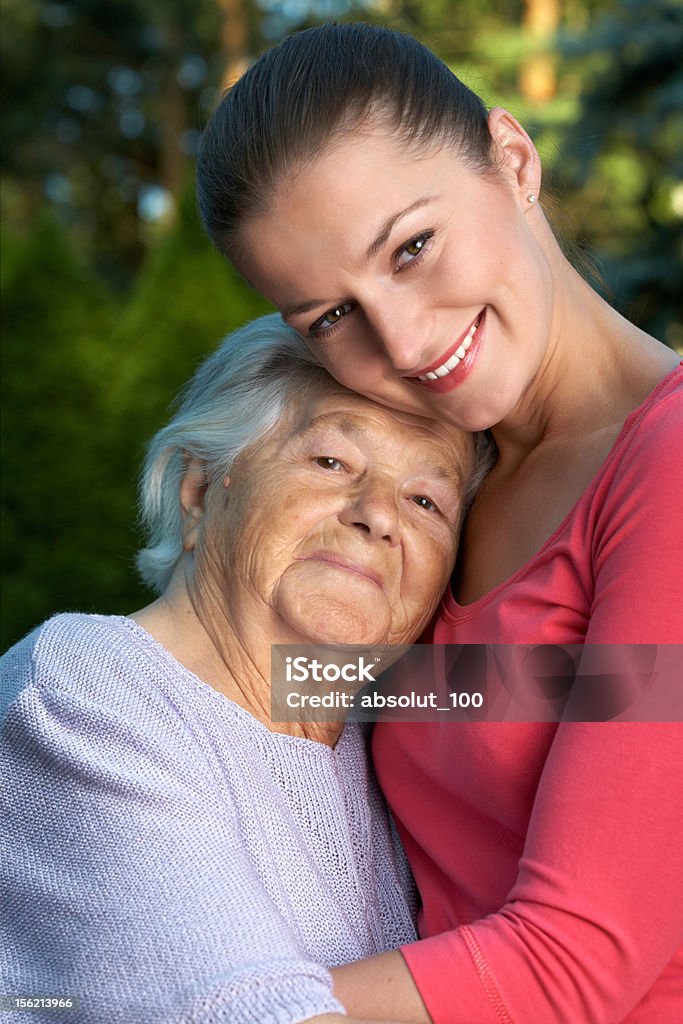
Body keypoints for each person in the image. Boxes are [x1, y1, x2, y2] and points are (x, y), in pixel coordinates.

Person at [194, 22, 683, 1024]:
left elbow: (572, 961)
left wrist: (161, 1003)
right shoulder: (440, 489)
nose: (405, 340)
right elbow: (310, 692)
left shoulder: (664, 465)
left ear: (511, 160)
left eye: (412, 247)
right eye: (330, 317)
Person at [0, 314, 478, 1024]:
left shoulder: (389, 720)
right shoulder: (84, 686)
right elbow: (243, 1010)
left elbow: (636, 684)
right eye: (331, 461)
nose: (378, 515)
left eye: (425, 501)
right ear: (199, 486)